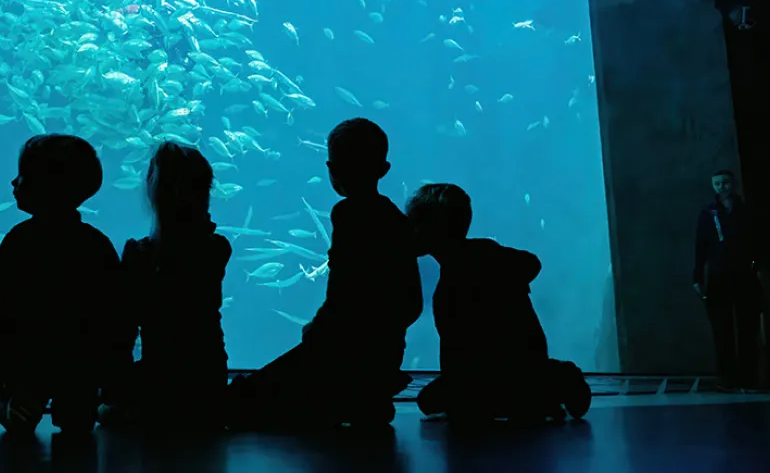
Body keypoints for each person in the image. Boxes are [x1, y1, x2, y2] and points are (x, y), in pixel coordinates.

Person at [226, 118, 423, 430]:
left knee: (246, 396)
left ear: (331, 169)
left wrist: (321, 327)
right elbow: (412, 301)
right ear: (383, 169)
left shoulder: (346, 214)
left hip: (338, 351)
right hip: (384, 354)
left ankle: (343, 396)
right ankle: (365, 395)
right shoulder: (398, 222)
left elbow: (344, 291)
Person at [404, 183, 591, 421]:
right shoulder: (481, 257)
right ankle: (540, 389)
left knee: (443, 402)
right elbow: (531, 263)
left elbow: (456, 344)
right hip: (503, 366)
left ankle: (557, 379)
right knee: (442, 400)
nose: (408, 231)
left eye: (413, 224)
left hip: (501, 369)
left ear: (432, 229)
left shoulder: (472, 263)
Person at [0, 134, 124, 434]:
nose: (13, 183)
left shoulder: (18, 240)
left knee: (18, 420)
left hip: (26, 367)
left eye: (21, 176)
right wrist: (111, 376)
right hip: (80, 369)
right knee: (78, 424)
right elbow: (115, 316)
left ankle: (13, 405)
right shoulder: (97, 244)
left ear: (42, 186)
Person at [100, 141, 231, 430]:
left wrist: (114, 388)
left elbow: (122, 330)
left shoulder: (139, 255)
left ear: (154, 193)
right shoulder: (217, 249)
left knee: (104, 410)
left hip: (157, 378)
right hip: (208, 379)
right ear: (205, 194)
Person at [694, 170, 770, 389]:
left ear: (733, 184)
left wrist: (769, 270)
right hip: (718, 278)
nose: (721, 187)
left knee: (747, 328)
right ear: (712, 186)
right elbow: (700, 247)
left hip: (744, 276)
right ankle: (727, 377)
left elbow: (761, 243)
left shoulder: (747, 212)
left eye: (725, 183)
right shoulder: (708, 214)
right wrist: (697, 276)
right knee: (722, 330)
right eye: (717, 183)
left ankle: (748, 377)